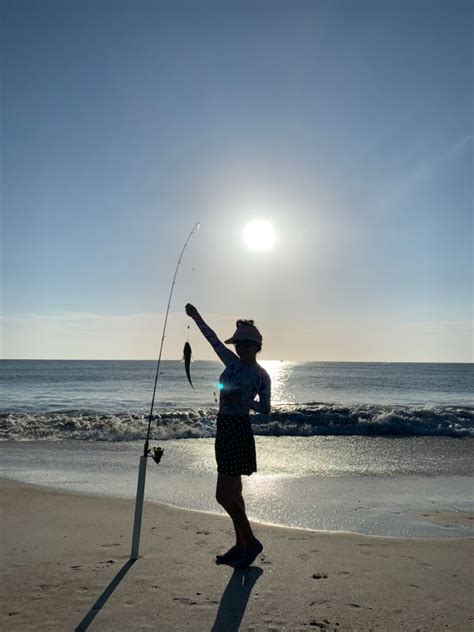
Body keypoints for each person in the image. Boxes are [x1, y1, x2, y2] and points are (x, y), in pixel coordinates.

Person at [185, 303, 271, 567]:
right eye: (239, 344)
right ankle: (241, 545)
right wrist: (197, 316)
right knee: (235, 493)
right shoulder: (231, 362)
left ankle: (252, 541)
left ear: (257, 346)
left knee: (223, 496)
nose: (241, 348)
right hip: (224, 427)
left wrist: (246, 399)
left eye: (247, 344)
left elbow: (266, 410)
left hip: (238, 431)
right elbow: (211, 338)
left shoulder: (261, 376)